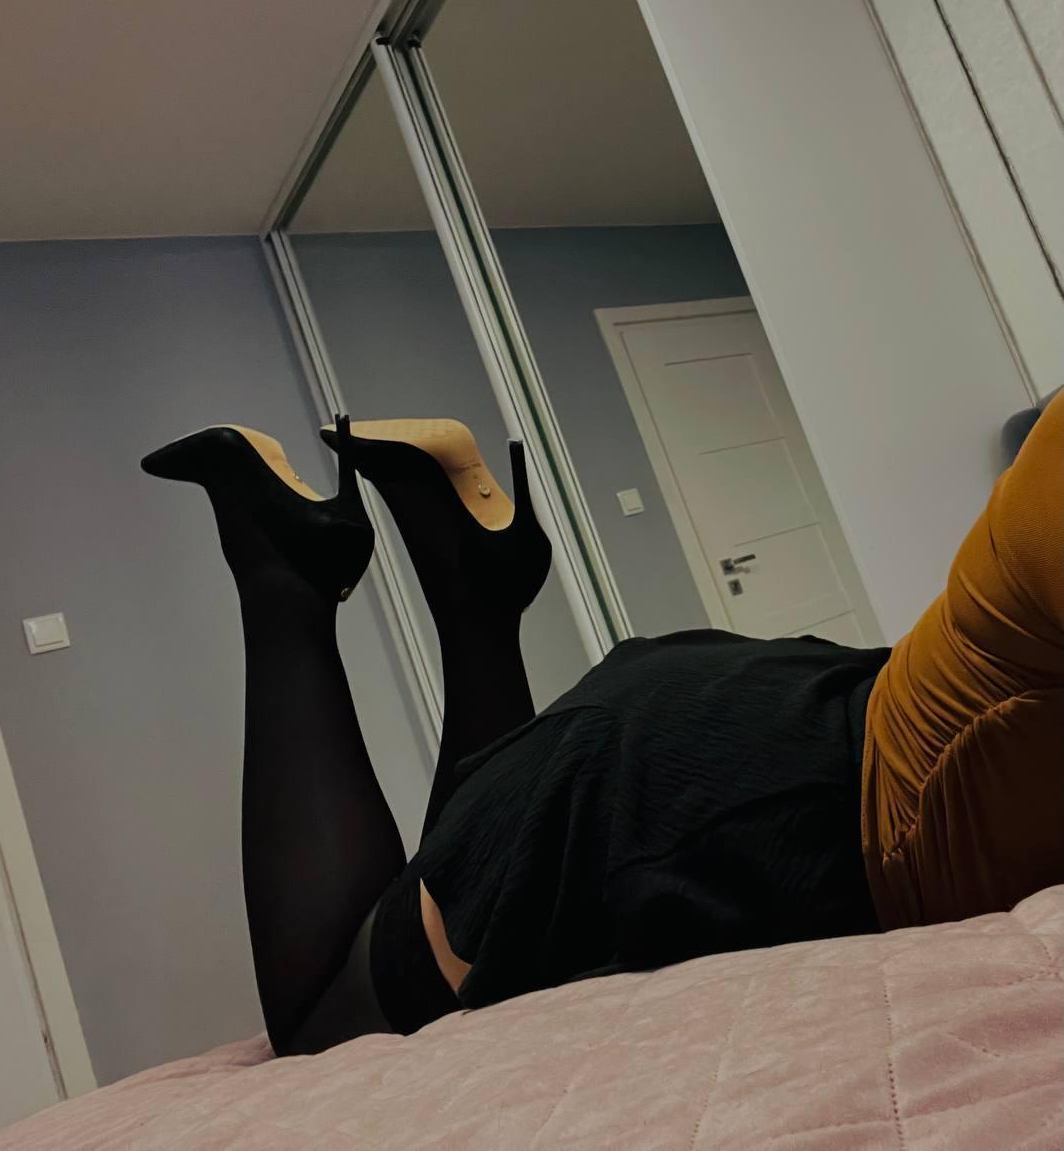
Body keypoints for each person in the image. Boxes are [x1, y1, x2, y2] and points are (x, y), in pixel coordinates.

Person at [140, 394, 1063, 1056]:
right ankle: (284, 571)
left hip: (778, 720)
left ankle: (476, 581)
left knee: (465, 884)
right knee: (323, 1025)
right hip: (753, 785)